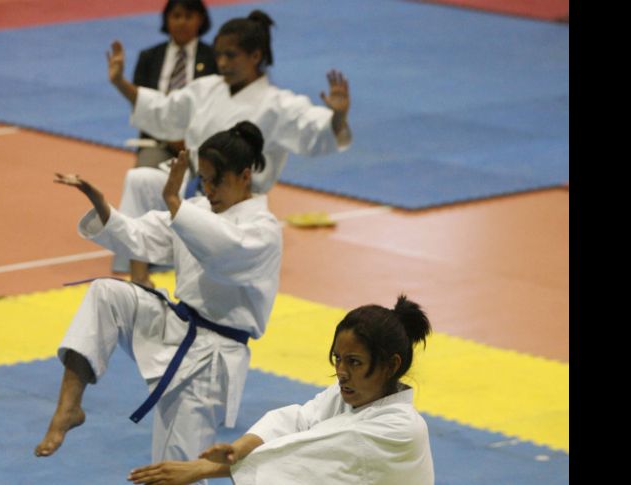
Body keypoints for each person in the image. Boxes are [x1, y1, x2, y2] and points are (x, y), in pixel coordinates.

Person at [34, 122, 283, 485]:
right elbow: (139, 238)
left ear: (245, 176)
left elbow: (221, 254)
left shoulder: (262, 229)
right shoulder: (195, 208)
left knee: (175, 473)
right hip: (176, 326)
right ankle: (69, 407)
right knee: (107, 293)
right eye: (205, 180)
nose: (208, 190)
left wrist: (175, 206)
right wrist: (101, 204)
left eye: (217, 181)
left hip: (211, 361)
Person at [106, 9, 352, 286]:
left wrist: (338, 117)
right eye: (219, 54)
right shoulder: (206, 89)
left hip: (238, 202)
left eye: (231, 55)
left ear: (256, 56)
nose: (222, 62)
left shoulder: (278, 104)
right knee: (140, 180)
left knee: (203, 278)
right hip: (195, 185)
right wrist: (120, 84)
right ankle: (140, 279)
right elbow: (163, 112)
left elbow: (315, 132)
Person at [126, 295, 435, 485]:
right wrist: (242, 446)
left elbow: (306, 452)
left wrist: (199, 469)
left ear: (391, 365)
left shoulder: (402, 429)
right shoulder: (349, 395)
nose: (341, 372)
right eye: (337, 359)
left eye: (354, 362)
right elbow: (298, 420)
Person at [132, 0, 218, 168]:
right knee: (141, 176)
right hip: (158, 142)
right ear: (166, 19)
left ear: (200, 19)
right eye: (176, 16)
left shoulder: (214, 58)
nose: (182, 22)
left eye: (188, 16)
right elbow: (141, 105)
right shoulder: (149, 57)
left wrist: (190, 140)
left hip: (203, 144)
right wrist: (170, 138)